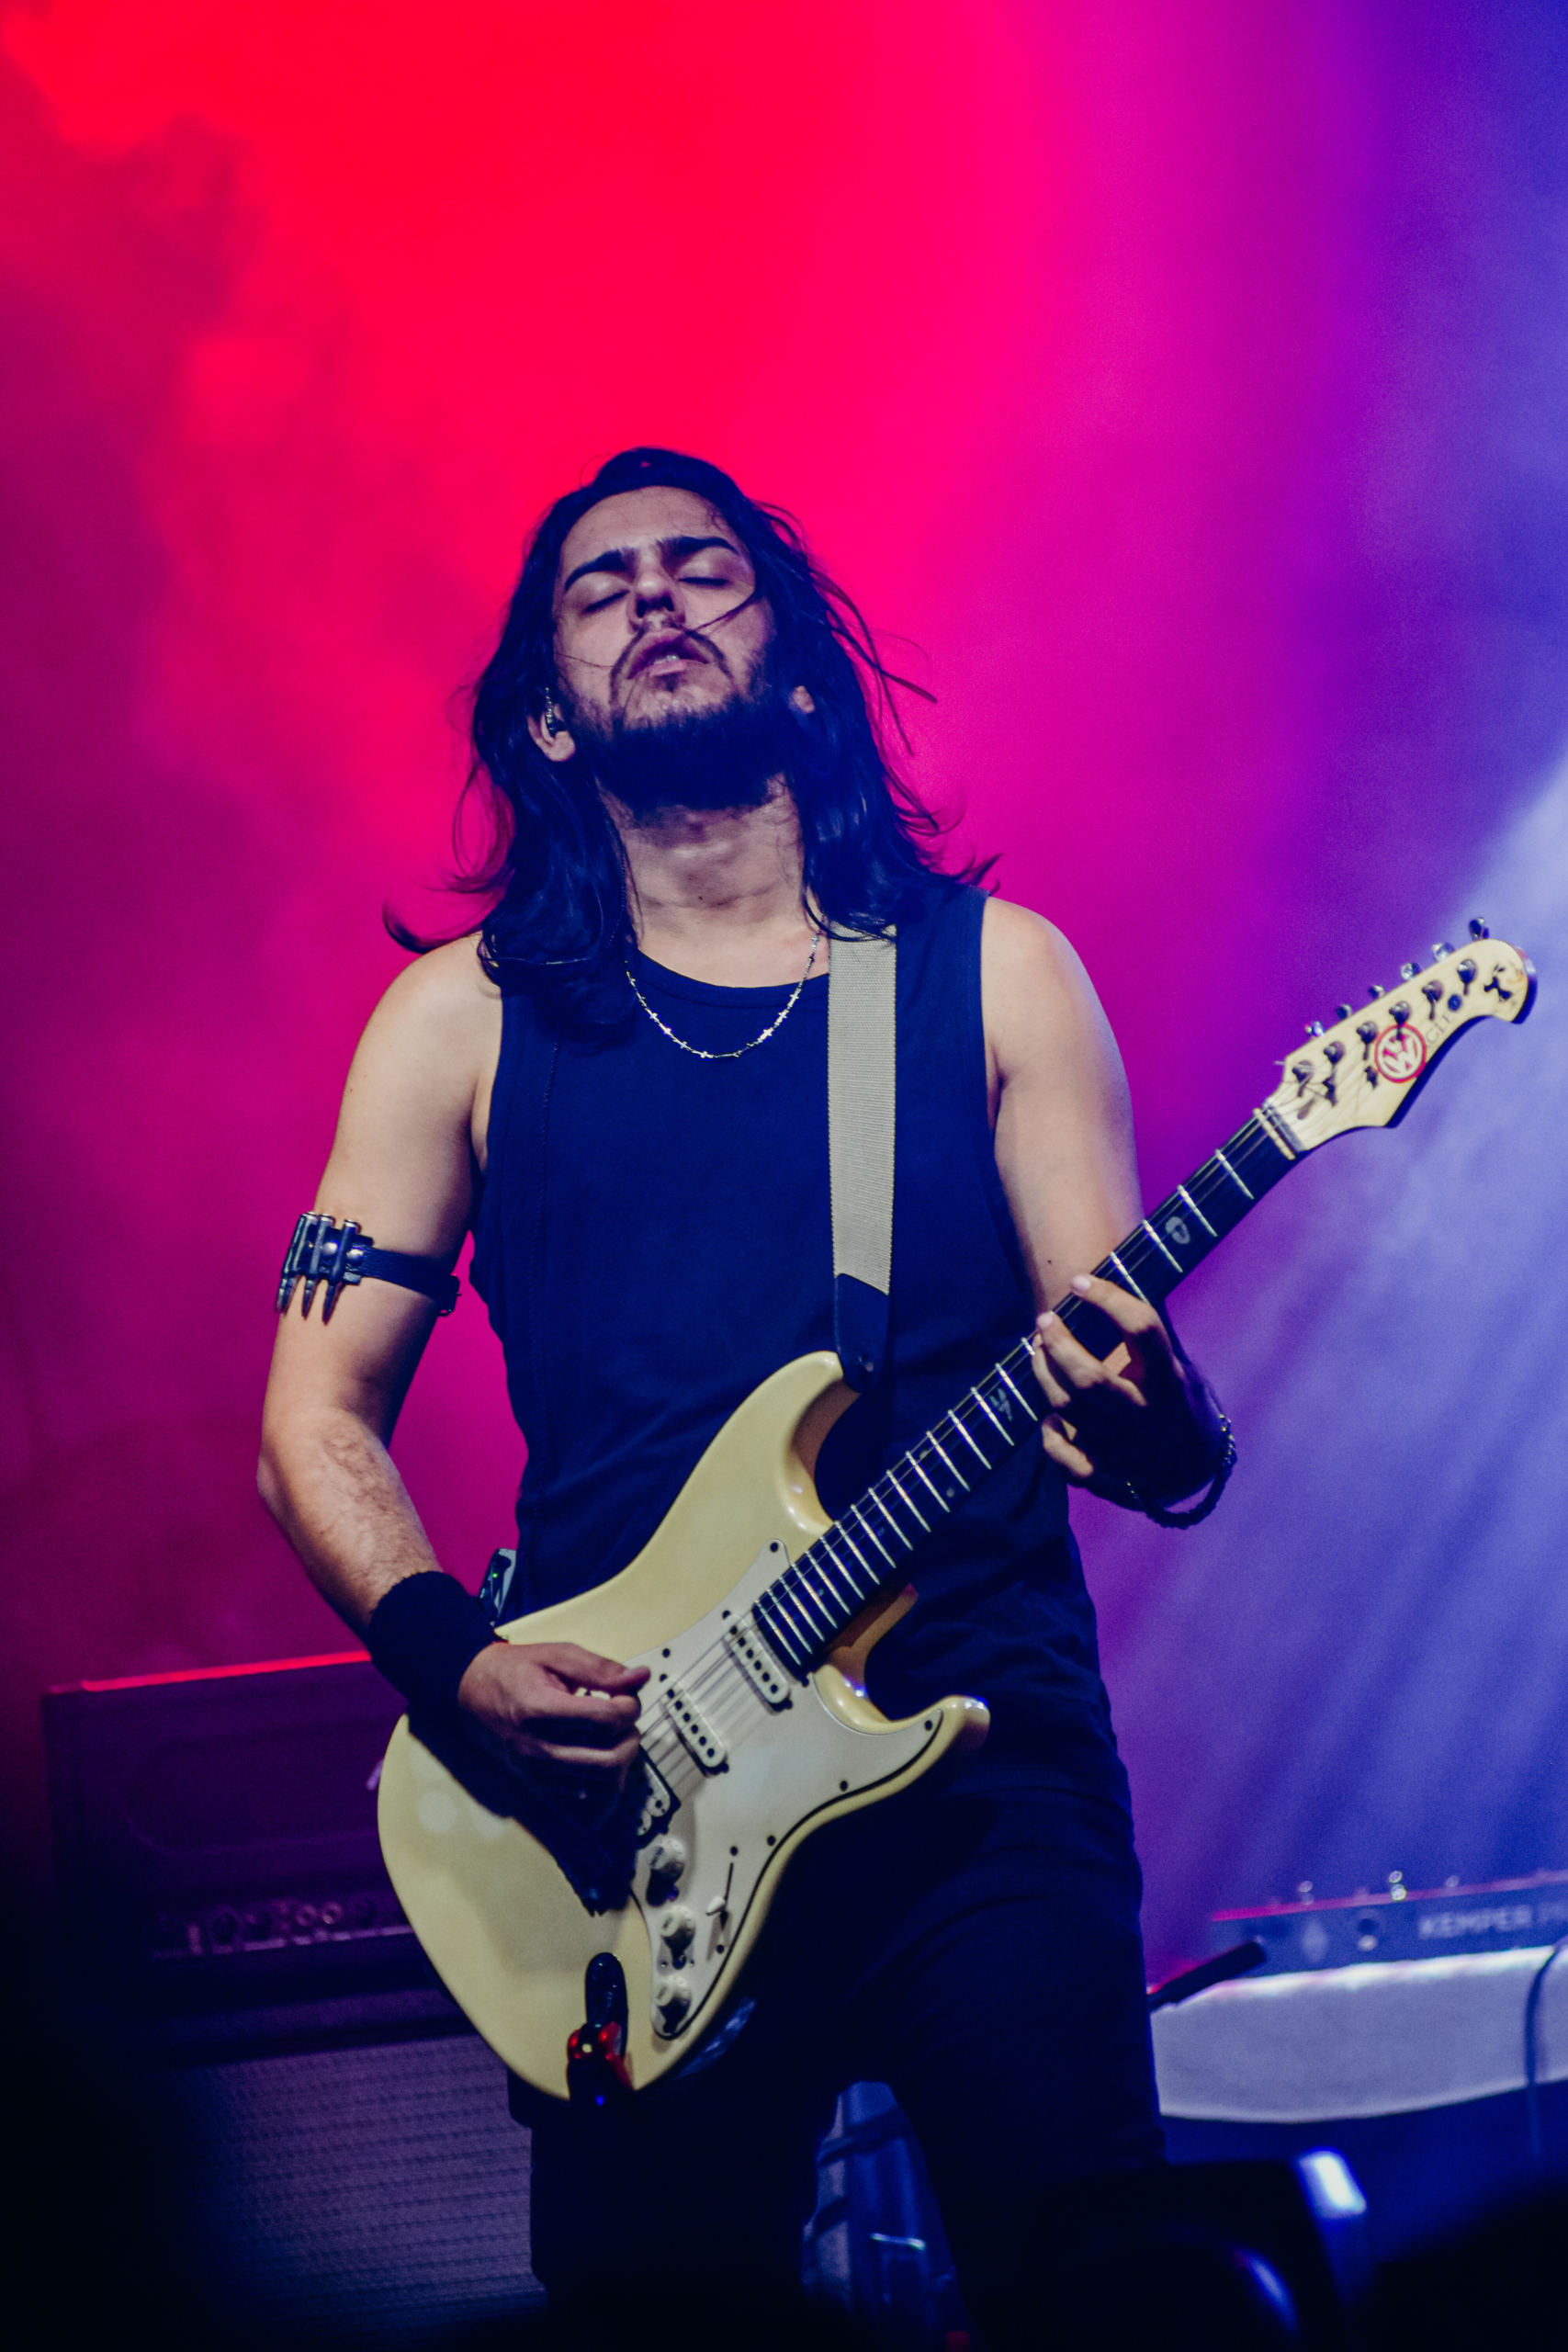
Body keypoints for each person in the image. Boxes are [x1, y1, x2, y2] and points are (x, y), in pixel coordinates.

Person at [259, 447, 1229, 2339]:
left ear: (790, 661)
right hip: (634, 1803)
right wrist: (453, 1661)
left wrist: (1153, 1419)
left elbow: (1126, 1387)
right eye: (599, 583)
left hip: (978, 1768)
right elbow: (310, 1420)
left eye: (703, 567)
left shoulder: (996, 978)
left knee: (1103, 2291)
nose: (653, 594)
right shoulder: (460, 1020)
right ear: (549, 711)